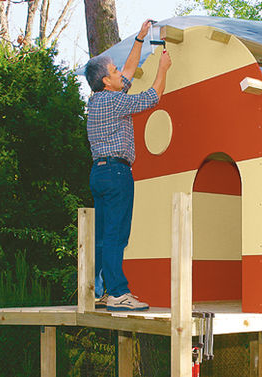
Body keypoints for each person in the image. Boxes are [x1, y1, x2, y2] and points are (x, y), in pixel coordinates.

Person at [84, 20, 172, 311]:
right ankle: (118, 293)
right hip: (117, 173)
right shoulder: (113, 102)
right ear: (106, 82)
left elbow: (129, 72)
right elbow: (153, 97)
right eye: (114, 71)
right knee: (116, 235)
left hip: (99, 172)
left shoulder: (99, 100)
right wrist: (163, 69)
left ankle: (97, 291)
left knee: (101, 234)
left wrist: (139, 39)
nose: (119, 72)